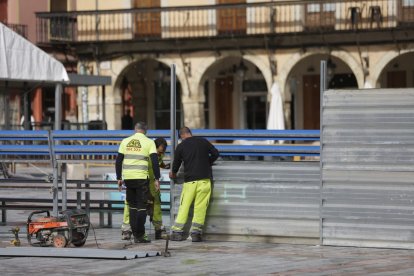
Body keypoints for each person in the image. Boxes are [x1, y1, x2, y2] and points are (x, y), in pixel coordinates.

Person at [169, 127, 219, 242]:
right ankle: (196, 234)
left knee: (184, 206)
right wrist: (208, 162)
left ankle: (177, 232)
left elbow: (176, 163)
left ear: (181, 136)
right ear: (190, 133)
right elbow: (216, 153)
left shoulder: (181, 146)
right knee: (200, 207)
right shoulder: (203, 141)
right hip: (205, 181)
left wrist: (174, 173)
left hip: (190, 182)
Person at [115, 122, 160, 243]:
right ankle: (140, 235)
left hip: (128, 179)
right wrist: (157, 178)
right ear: (146, 131)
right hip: (141, 178)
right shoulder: (149, 142)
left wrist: (119, 178)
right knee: (141, 207)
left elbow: (118, 161)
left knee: (132, 206)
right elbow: (155, 162)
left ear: (135, 129)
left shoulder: (125, 141)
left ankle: (135, 233)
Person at [121, 137, 170, 240]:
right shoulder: (146, 155)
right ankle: (127, 230)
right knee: (130, 204)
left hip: (152, 184)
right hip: (141, 182)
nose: (159, 155)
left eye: (161, 153)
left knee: (156, 206)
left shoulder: (159, 155)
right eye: (158, 152)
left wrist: (164, 166)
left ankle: (159, 229)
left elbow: (158, 162)